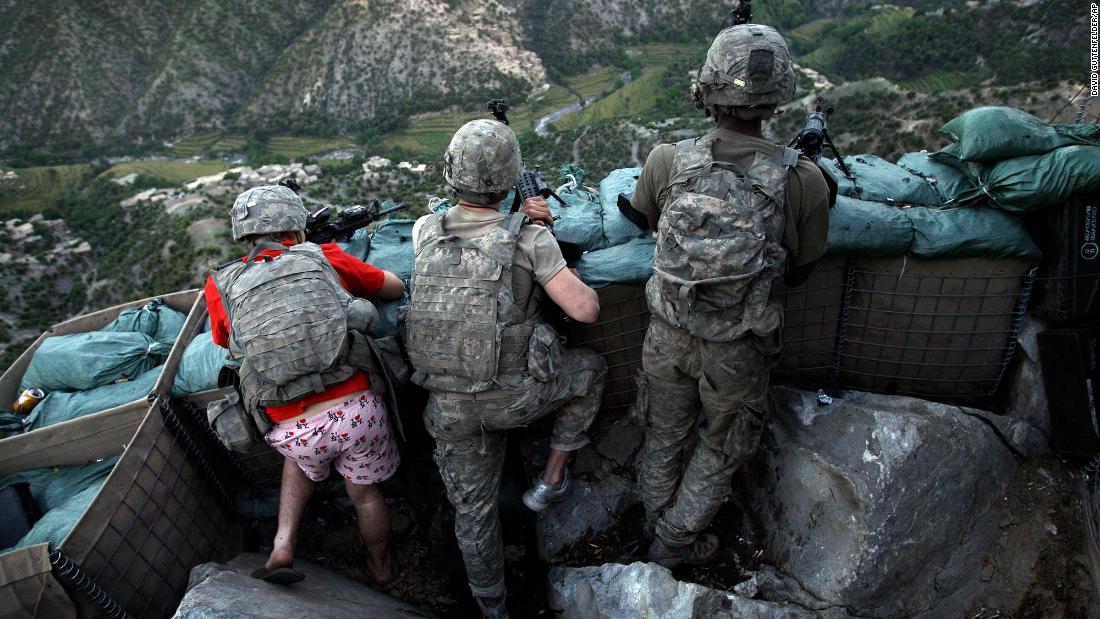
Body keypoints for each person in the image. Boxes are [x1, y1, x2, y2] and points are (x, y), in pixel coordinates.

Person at [630, 24, 831, 567]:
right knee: (723, 444)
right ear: (777, 94)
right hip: (738, 347)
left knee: (665, 431)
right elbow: (803, 269)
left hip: (667, 332)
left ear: (708, 89)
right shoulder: (803, 180)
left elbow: (646, 218)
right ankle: (673, 542)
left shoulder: (668, 160)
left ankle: (654, 517)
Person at [405, 119, 607, 618]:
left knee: (472, 512)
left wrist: (521, 223)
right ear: (510, 179)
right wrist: (537, 233)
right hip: (514, 398)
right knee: (591, 372)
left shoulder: (423, 231)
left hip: (449, 408)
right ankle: (550, 480)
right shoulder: (529, 241)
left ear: (451, 176)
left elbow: (473, 249)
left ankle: (491, 605)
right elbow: (585, 310)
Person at [204, 185, 406, 585]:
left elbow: (226, 339)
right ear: (296, 229)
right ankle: (381, 566)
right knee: (365, 496)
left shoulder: (221, 285)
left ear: (243, 236)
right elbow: (393, 286)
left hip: (290, 427)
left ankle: (282, 546)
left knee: (297, 462)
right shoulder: (323, 256)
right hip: (357, 411)